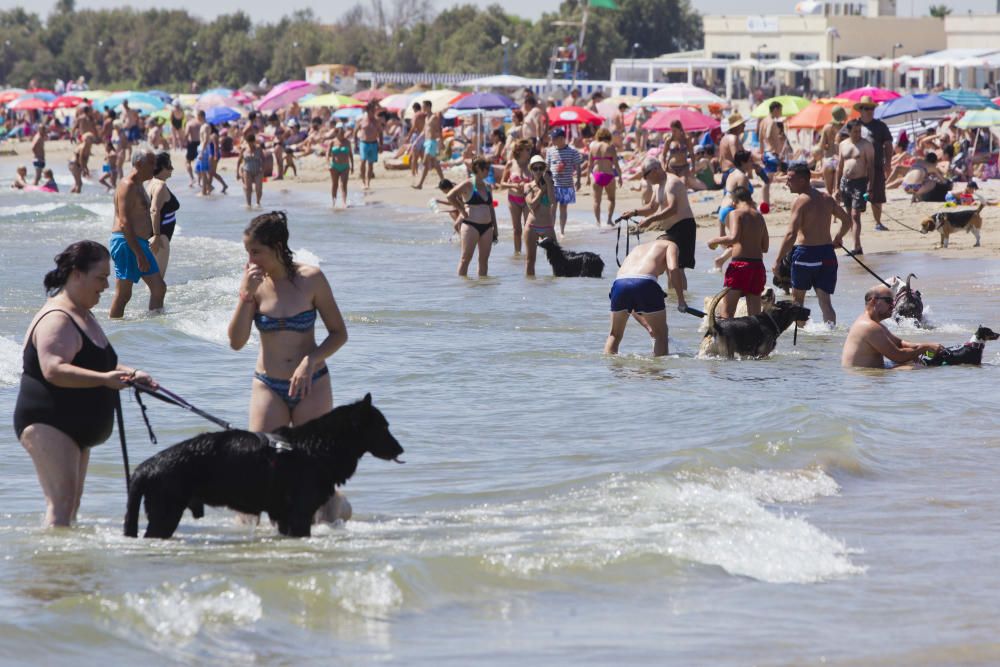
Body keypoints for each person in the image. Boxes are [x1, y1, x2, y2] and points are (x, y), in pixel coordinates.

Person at [13, 240, 156, 527]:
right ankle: (53, 569)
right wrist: (105, 380)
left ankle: (71, 570)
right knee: (61, 506)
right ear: (77, 274)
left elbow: (96, 364)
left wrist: (132, 373)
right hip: (49, 422)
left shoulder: (83, 313)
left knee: (71, 506)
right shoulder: (57, 318)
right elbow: (53, 369)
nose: (106, 286)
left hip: (76, 425)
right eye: (101, 277)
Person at [227, 211, 351, 523]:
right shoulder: (253, 284)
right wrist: (245, 295)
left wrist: (311, 361)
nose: (251, 260)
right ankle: (256, 551)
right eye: (247, 252)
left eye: (257, 252)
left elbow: (339, 333)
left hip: (313, 383)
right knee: (258, 472)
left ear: (278, 246)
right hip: (269, 384)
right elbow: (236, 342)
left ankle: (330, 527)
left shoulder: (311, 279)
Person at [772, 163, 852, 327]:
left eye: (789, 179)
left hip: (806, 254)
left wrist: (778, 260)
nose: (787, 183)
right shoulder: (826, 198)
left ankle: (801, 346)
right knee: (826, 303)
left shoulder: (800, 201)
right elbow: (847, 220)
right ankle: (828, 338)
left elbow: (791, 234)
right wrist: (838, 237)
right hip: (827, 254)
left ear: (802, 180)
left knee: (798, 303)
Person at [621, 158, 696, 312]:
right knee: (669, 264)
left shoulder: (672, 182)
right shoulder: (658, 186)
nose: (645, 179)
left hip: (684, 226)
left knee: (677, 266)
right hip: (670, 229)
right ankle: (675, 298)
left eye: (646, 175)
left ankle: (681, 299)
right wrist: (634, 212)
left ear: (655, 169)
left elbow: (672, 208)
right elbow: (652, 207)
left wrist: (650, 220)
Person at [109, 148, 167, 319]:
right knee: (124, 295)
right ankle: (114, 331)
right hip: (127, 242)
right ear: (139, 164)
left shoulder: (140, 185)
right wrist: (139, 253)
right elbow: (124, 222)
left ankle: (154, 328)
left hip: (139, 243)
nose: (154, 167)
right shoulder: (127, 185)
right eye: (151, 163)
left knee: (159, 288)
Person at [841, 285, 944, 368]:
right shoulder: (869, 327)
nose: (893, 305)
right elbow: (898, 356)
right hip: (863, 378)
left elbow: (900, 343)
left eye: (894, 301)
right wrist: (924, 348)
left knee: (915, 361)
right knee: (916, 367)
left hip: (874, 370)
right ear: (873, 301)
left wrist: (927, 347)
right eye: (889, 301)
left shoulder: (874, 324)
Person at [604, 235, 674, 356]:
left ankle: (612, 372)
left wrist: (648, 326)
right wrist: (681, 300)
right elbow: (673, 269)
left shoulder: (637, 249)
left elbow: (632, 304)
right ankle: (658, 373)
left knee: (614, 334)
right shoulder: (670, 245)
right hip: (645, 283)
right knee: (661, 335)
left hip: (619, 284)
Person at [707, 186, 769, 318]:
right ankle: (754, 339)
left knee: (727, 313)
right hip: (757, 267)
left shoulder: (735, 213)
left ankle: (726, 338)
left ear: (734, 201)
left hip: (740, 266)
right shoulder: (759, 216)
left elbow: (734, 237)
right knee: (755, 316)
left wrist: (714, 241)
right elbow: (765, 247)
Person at [446, 156, 498, 277]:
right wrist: (462, 211)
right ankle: (463, 289)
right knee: (465, 259)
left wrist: (495, 228)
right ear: (478, 168)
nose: (488, 171)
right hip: (471, 226)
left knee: (484, 261)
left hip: (487, 227)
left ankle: (481, 290)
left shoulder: (488, 186)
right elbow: (450, 196)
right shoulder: (468, 184)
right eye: (486, 168)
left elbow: (491, 208)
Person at [834, 120, 875, 255]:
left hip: (860, 183)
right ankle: (853, 243)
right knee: (848, 215)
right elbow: (839, 167)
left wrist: (870, 187)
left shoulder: (866, 145)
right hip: (845, 183)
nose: (858, 134)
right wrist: (836, 188)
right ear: (849, 131)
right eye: (855, 131)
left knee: (855, 215)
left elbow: (871, 168)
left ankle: (856, 246)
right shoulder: (843, 145)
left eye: (859, 131)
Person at [855, 95, 893, 232]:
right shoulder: (854, 125)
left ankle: (878, 222)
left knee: (877, 195)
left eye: (871, 108)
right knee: (856, 195)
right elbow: (840, 139)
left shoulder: (880, 126)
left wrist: (888, 163)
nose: (869, 110)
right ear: (860, 110)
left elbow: (888, 144)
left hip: (876, 165)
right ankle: (855, 224)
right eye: (866, 108)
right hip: (857, 167)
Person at [714, 149, 755, 270]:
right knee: (742, 240)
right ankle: (721, 261)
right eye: (750, 161)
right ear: (743, 162)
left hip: (723, 209)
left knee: (737, 240)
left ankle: (730, 263)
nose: (752, 163)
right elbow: (742, 200)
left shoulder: (732, 174)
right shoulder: (742, 177)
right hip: (731, 210)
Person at [146, 151, 179, 279]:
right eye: (169, 165)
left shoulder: (151, 183)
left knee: (153, 281)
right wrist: (157, 236)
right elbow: (154, 210)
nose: (172, 168)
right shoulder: (160, 185)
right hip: (160, 238)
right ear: (161, 167)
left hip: (154, 236)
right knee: (158, 282)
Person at [523, 154, 557, 277]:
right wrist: (541, 191)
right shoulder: (528, 186)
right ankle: (531, 288)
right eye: (535, 168)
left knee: (556, 259)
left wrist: (548, 185)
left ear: (544, 169)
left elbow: (553, 201)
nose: (538, 171)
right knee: (530, 260)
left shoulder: (550, 183)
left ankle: (554, 288)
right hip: (532, 226)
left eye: (540, 168)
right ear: (531, 170)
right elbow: (531, 205)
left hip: (547, 227)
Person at [545, 128, 582, 235]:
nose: (552, 140)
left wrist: (579, 180)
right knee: (552, 208)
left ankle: (562, 231)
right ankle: (551, 230)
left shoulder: (572, 151)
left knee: (563, 208)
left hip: (567, 185)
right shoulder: (550, 151)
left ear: (561, 138)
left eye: (554, 138)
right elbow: (547, 167)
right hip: (553, 185)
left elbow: (578, 166)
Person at [500, 139, 533, 254]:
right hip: (513, 199)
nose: (530, 152)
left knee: (528, 228)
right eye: (527, 150)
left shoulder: (531, 166)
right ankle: (517, 253)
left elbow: (537, 183)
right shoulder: (511, 163)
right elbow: (502, 184)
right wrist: (514, 185)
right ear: (520, 151)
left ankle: (529, 253)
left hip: (527, 199)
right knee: (517, 230)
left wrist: (528, 185)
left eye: (530, 149)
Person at [588, 127, 621, 227]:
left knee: (596, 201)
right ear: (608, 136)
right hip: (609, 175)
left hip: (596, 175)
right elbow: (616, 164)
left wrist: (587, 177)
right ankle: (609, 220)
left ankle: (598, 222)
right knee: (611, 199)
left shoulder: (593, 147)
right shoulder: (610, 147)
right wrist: (620, 176)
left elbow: (590, 164)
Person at [413, 101, 444, 190]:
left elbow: (439, 130)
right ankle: (442, 181)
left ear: (428, 107)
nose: (422, 108)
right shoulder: (426, 118)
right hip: (427, 142)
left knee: (425, 161)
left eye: (423, 106)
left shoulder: (434, 117)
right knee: (434, 164)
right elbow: (424, 131)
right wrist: (417, 140)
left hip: (432, 142)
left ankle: (420, 183)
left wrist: (441, 142)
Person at [819, 105, 847, 194]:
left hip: (828, 160)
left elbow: (821, 146)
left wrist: (827, 146)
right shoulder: (845, 128)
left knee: (829, 192)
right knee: (837, 191)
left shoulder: (827, 127)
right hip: (840, 160)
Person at [355, 103, 382, 190]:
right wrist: (355, 143)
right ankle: (363, 181)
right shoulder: (362, 120)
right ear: (368, 111)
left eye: (374, 110)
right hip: (364, 143)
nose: (374, 112)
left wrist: (381, 144)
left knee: (371, 164)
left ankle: (368, 183)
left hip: (374, 143)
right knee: (363, 162)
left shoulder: (376, 120)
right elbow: (355, 131)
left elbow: (380, 133)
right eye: (372, 110)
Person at [237, 129, 265, 209]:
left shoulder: (259, 149)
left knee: (258, 188)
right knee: (248, 188)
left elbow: (263, 159)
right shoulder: (244, 149)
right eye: (249, 142)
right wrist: (237, 173)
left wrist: (263, 169)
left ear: (254, 141)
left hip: (258, 170)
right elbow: (239, 161)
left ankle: (258, 202)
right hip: (247, 170)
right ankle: (248, 204)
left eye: (252, 142)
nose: (250, 144)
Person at [328, 123, 354, 208]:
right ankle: (333, 202)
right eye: (339, 130)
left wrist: (352, 166)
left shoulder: (347, 142)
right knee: (334, 184)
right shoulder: (332, 142)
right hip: (334, 166)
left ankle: (344, 202)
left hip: (345, 166)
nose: (341, 132)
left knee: (343, 185)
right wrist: (328, 164)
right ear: (336, 131)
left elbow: (350, 155)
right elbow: (327, 154)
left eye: (342, 130)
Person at [406, 102, 426, 178]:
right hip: (424, 136)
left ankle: (413, 173)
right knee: (422, 155)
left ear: (414, 108)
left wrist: (408, 136)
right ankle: (421, 171)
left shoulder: (416, 115)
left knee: (415, 156)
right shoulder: (424, 115)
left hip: (417, 135)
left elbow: (414, 127)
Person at [184, 110, 204, 188]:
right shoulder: (200, 123)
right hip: (200, 143)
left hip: (192, 143)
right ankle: (199, 181)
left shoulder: (189, 123)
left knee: (187, 162)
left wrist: (184, 143)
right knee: (199, 162)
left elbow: (186, 134)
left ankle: (192, 178)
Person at [31, 121, 46, 186]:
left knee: (39, 177)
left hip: (40, 159)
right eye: (43, 129)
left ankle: (36, 186)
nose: (44, 131)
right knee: (37, 177)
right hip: (38, 159)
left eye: (44, 129)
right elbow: (33, 147)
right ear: (39, 129)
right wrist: (37, 155)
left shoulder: (40, 136)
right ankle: (33, 187)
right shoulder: (38, 137)